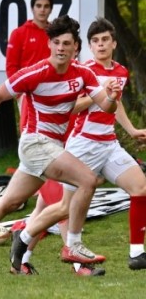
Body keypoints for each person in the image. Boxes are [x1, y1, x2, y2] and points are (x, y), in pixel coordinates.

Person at [0, 15, 121, 274]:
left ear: (76, 47)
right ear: (49, 44)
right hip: (35, 144)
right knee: (88, 180)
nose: (61, 48)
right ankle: (73, 245)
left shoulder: (83, 74)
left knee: (9, 203)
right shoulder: (35, 73)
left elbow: (106, 107)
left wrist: (112, 96)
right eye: (56, 42)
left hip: (51, 147)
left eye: (67, 43)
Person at [13, 17, 146, 273]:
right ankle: (26, 250)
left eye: (105, 39)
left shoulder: (120, 71)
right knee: (59, 207)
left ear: (114, 43)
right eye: (95, 41)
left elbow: (114, 105)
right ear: (88, 46)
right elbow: (69, 107)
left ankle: (137, 253)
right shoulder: (82, 71)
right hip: (81, 145)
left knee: (140, 187)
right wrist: (100, 93)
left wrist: (130, 129)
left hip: (108, 144)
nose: (100, 45)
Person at [5, 0, 53, 132]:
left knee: (53, 130)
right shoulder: (19, 33)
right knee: (30, 130)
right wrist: (19, 93)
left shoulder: (55, 34)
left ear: (50, 9)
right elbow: (11, 66)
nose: (42, 9)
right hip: (27, 92)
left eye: (46, 6)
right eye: (39, 6)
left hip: (52, 89)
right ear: (32, 8)